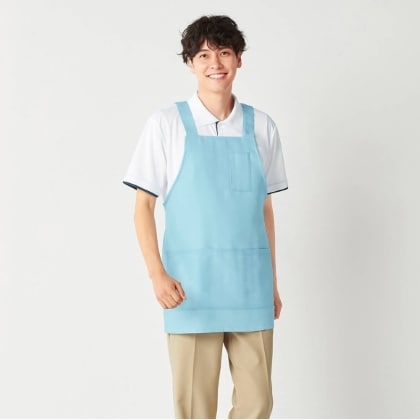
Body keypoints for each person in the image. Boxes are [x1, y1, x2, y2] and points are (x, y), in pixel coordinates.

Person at [123, 15, 288, 419]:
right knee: (195, 409)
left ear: (239, 59)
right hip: (190, 288)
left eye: (224, 53)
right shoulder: (166, 124)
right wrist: (157, 275)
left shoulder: (262, 127)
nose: (215, 63)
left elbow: (264, 208)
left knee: (258, 403)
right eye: (203, 55)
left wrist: (271, 282)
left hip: (250, 285)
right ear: (190, 63)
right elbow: (143, 207)